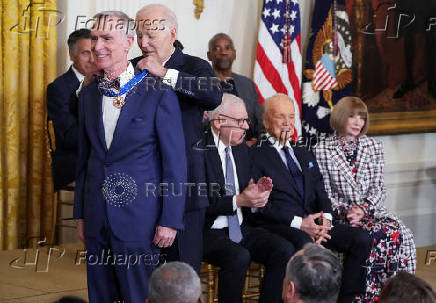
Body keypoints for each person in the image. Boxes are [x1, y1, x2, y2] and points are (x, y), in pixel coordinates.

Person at [73, 11, 187, 303]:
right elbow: (85, 159)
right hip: (97, 215)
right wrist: (82, 214)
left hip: (140, 220)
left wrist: (170, 220)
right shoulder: (88, 94)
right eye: (95, 37)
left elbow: (175, 163)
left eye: (107, 38)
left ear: (127, 43)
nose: (98, 46)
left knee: (138, 296)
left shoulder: (158, 93)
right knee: (100, 296)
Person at [250, 94, 372, 303]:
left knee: (361, 239)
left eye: (291, 117)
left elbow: (319, 188)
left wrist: (326, 219)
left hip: (314, 223)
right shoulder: (255, 154)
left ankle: (347, 300)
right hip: (279, 225)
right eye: (281, 117)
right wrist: (301, 224)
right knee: (303, 242)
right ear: (266, 120)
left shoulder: (302, 150)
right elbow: (261, 207)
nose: (288, 123)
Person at [133, 4, 222, 274]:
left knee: (180, 278)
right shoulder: (131, 69)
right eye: (139, 36)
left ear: (172, 34)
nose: (144, 44)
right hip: (140, 188)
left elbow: (213, 96)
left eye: (151, 36)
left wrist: (164, 73)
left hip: (184, 189)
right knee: (141, 278)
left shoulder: (195, 66)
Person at [314, 96, 417, 302]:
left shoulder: (373, 146)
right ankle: (364, 297)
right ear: (340, 116)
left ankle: (395, 294)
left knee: (395, 231)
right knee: (371, 236)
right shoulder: (321, 150)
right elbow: (324, 194)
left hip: (371, 211)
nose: (358, 122)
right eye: (352, 116)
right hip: (341, 216)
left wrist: (363, 209)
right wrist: (347, 212)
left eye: (362, 117)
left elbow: (378, 188)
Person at [202, 93, 294, 303]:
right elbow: (200, 202)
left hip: (241, 226)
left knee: (283, 249)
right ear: (218, 121)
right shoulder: (198, 150)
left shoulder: (241, 148)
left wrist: (257, 194)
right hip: (207, 230)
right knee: (238, 256)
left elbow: (247, 190)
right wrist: (239, 200)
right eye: (240, 121)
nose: (246, 127)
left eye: (246, 120)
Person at [46, 29, 93, 191]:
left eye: (95, 52)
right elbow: (68, 136)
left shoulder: (105, 83)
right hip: (75, 161)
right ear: (72, 55)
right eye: (86, 53)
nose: (92, 59)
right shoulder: (58, 89)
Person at [207, 33, 264, 142]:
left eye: (227, 48)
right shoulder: (200, 84)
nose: (223, 52)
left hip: (249, 147)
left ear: (234, 54)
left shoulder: (247, 84)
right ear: (209, 55)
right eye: (217, 48)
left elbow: (259, 122)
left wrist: (257, 141)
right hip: (214, 148)